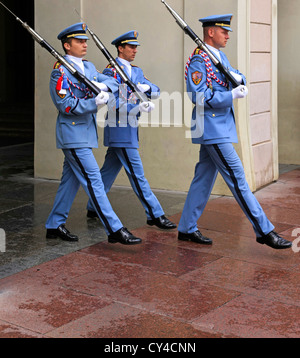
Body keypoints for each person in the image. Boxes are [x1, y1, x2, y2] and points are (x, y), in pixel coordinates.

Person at [178, 14, 292, 250]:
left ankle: (186, 228)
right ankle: (264, 230)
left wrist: (240, 79)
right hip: (211, 127)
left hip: (220, 126)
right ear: (210, 32)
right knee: (238, 178)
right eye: (223, 31)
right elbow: (198, 96)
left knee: (203, 178)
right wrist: (230, 95)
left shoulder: (219, 56)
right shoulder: (200, 60)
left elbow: (233, 74)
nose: (228, 35)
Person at [45, 23, 142, 245]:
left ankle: (54, 224)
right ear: (67, 45)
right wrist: (92, 102)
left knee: (69, 181)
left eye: (85, 40)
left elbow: (107, 80)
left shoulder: (87, 68)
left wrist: (103, 86)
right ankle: (115, 228)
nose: (84, 44)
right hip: (72, 134)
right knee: (94, 180)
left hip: (85, 135)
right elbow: (65, 105)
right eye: (79, 41)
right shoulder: (59, 72)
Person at [86, 30, 176, 230]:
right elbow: (113, 103)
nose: (135, 50)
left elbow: (156, 90)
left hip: (130, 128)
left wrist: (144, 88)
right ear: (120, 48)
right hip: (119, 128)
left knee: (108, 172)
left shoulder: (135, 71)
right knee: (137, 174)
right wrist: (137, 106)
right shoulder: (111, 72)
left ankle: (93, 206)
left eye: (136, 47)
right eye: (131, 47)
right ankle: (155, 213)